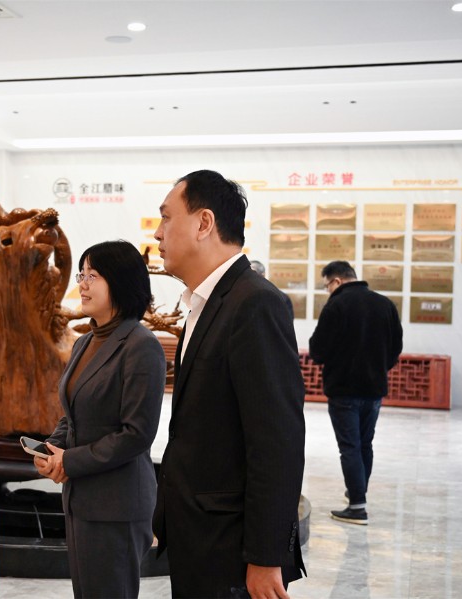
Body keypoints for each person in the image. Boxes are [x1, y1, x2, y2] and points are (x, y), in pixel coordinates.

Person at [152, 170, 306, 598]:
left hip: (230, 548)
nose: (158, 233)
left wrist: (265, 556)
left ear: (204, 223)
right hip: (198, 533)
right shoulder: (205, 302)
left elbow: (277, 442)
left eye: (166, 217)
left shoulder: (255, 302)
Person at [34, 240, 165, 598]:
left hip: (117, 505)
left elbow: (137, 433)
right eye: (82, 275)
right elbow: (73, 414)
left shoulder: (141, 345)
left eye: (92, 276)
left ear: (120, 282)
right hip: (81, 499)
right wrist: (53, 448)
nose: (82, 284)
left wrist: (71, 461)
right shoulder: (84, 343)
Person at [309, 260, 403, 525]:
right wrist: (379, 368)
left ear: (336, 281)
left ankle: (357, 507)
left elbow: (317, 350)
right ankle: (357, 491)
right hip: (374, 390)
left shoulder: (336, 306)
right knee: (364, 444)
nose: (328, 291)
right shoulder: (385, 304)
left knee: (349, 447)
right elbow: (395, 347)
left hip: (343, 390)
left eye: (327, 285)